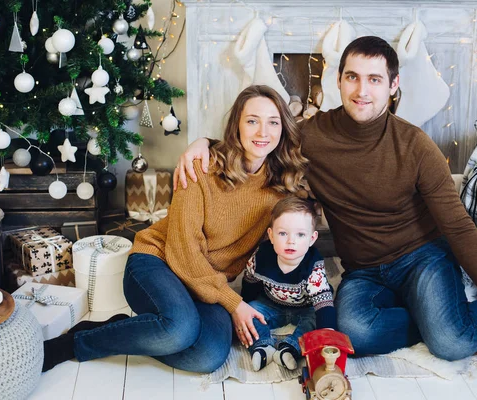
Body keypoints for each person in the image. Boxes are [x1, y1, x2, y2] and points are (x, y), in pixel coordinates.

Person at [173, 36, 477, 361]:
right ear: (338, 80)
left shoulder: (415, 145)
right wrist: (204, 144)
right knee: (351, 333)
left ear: (393, 84)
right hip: (365, 271)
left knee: (450, 343)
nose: (361, 90)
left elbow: (457, 225)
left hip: (422, 257)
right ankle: (435, 315)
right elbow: (258, 140)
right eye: (352, 77)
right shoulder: (310, 136)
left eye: (374, 79)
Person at [41, 85, 309, 373]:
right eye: (252, 121)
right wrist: (234, 302)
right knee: (179, 331)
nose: (262, 132)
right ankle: (75, 343)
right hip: (158, 262)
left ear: (283, 128)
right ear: (237, 126)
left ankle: (128, 329)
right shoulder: (201, 167)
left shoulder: (283, 188)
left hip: (207, 282)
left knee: (208, 357)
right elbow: (183, 252)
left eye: (273, 122)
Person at [241, 196, 336, 372]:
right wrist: (248, 308)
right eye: (283, 233)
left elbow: (323, 304)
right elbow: (249, 284)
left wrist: (327, 334)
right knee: (249, 313)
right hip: (271, 303)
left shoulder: (313, 266)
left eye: (300, 235)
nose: (291, 241)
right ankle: (263, 347)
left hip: (306, 307)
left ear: (312, 238)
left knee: (317, 321)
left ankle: (290, 348)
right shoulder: (261, 257)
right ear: (271, 235)